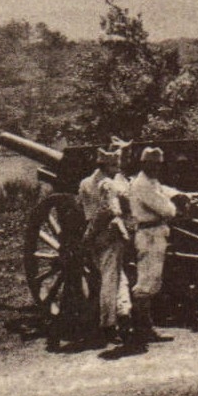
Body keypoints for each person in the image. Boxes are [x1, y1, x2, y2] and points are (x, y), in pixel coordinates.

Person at [77, 143, 131, 346]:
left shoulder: (84, 183)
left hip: (94, 236)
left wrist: (88, 235)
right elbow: (110, 210)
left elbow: (82, 208)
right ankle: (109, 324)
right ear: (106, 166)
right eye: (114, 166)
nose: (117, 169)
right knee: (111, 278)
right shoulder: (108, 184)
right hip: (108, 235)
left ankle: (124, 312)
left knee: (117, 276)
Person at [125, 146, 180, 345]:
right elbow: (166, 210)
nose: (156, 168)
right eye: (152, 164)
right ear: (143, 164)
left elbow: (162, 190)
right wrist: (175, 205)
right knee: (147, 282)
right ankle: (142, 329)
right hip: (148, 235)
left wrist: (176, 194)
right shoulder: (142, 185)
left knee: (152, 281)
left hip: (155, 233)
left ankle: (143, 326)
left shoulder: (150, 181)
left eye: (158, 164)